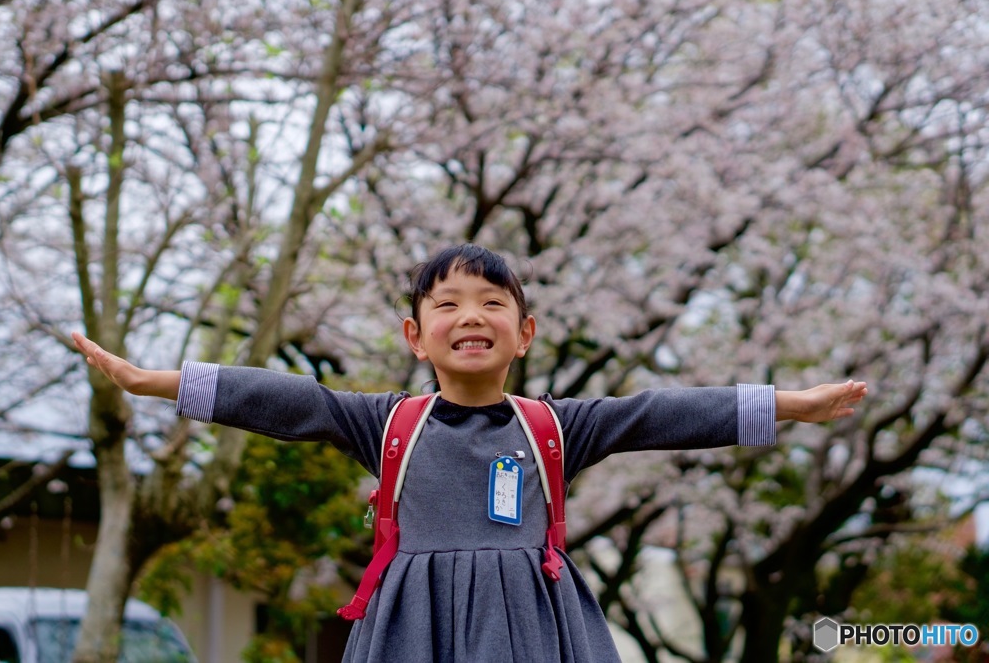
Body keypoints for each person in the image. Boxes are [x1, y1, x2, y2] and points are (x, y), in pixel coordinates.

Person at [72, 243, 867, 663]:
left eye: (494, 302)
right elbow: (288, 401)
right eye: (446, 303)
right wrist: (157, 381)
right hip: (413, 628)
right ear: (416, 337)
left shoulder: (554, 425)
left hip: (533, 628)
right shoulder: (388, 424)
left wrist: (787, 405)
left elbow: (659, 413)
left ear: (525, 333)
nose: (471, 315)